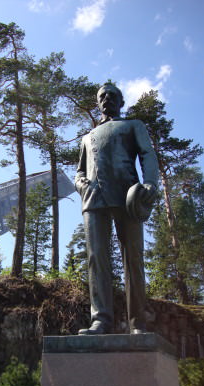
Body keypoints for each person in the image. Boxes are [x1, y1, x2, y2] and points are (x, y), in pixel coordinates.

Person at [75, 83, 159, 335]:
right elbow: (79, 170)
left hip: (128, 195)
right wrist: (82, 186)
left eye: (113, 95)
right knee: (96, 258)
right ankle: (100, 319)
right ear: (97, 103)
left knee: (133, 259)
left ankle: (137, 323)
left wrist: (150, 184)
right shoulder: (87, 138)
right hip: (94, 199)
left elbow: (148, 155)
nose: (107, 99)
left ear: (121, 102)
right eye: (102, 96)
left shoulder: (133, 125)